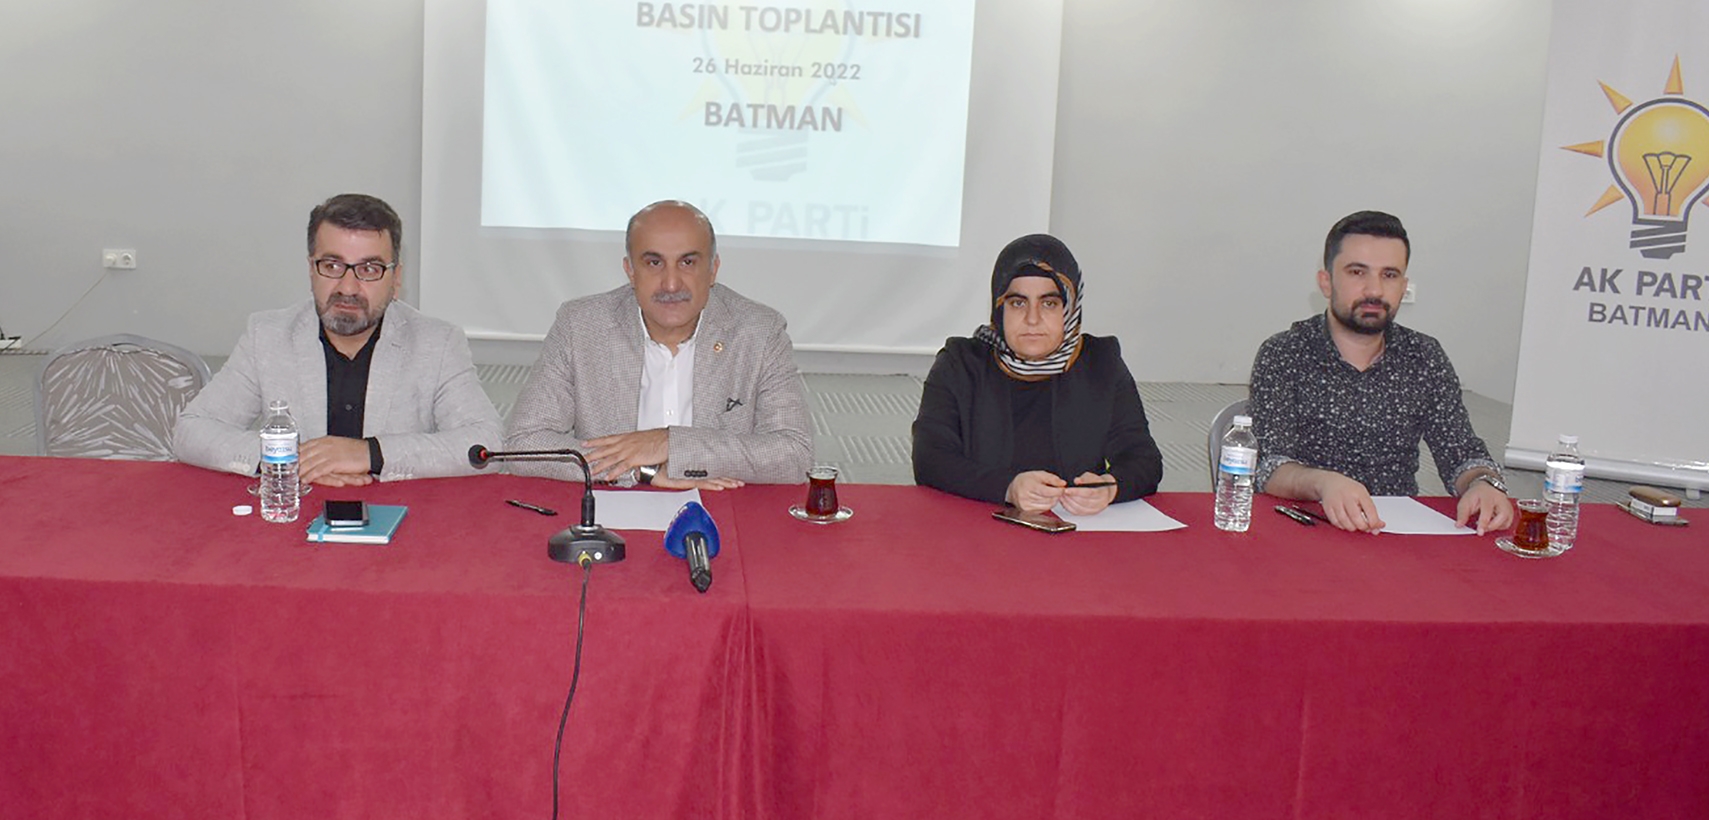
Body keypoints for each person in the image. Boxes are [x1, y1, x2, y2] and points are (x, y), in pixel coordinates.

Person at [173, 194, 503, 485]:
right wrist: (294, 459)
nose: (348, 287)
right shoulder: (268, 335)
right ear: (311, 269)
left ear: (396, 279)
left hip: (400, 517)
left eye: (369, 269)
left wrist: (369, 453)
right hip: (296, 515)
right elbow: (192, 430)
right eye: (332, 265)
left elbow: (488, 445)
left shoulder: (437, 343)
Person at [503, 200, 812, 488]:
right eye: (654, 263)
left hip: (720, 508)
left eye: (687, 262)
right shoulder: (581, 326)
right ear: (630, 271)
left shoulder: (759, 332)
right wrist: (641, 471)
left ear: (713, 270)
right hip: (612, 509)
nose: (671, 284)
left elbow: (795, 455)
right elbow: (524, 444)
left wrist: (668, 443)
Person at [1247, 210, 1514, 533]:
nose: (1374, 290)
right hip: (1304, 526)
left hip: (1396, 533)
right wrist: (1324, 483)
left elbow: (1462, 454)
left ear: (1403, 286)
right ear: (1326, 282)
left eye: (1389, 275)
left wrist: (1483, 484)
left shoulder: (1424, 357)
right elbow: (1269, 467)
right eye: (1357, 272)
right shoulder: (1285, 353)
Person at [912, 233, 1164, 514]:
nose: (1032, 319)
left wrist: (1111, 486)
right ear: (999, 308)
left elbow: (1143, 459)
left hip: (1077, 530)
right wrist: (1007, 487)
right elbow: (930, 458)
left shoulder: (1101, 363)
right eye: (1018, 303)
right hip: (978, 524)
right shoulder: (959, 363)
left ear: (1070, 308)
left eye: (1049, 303)